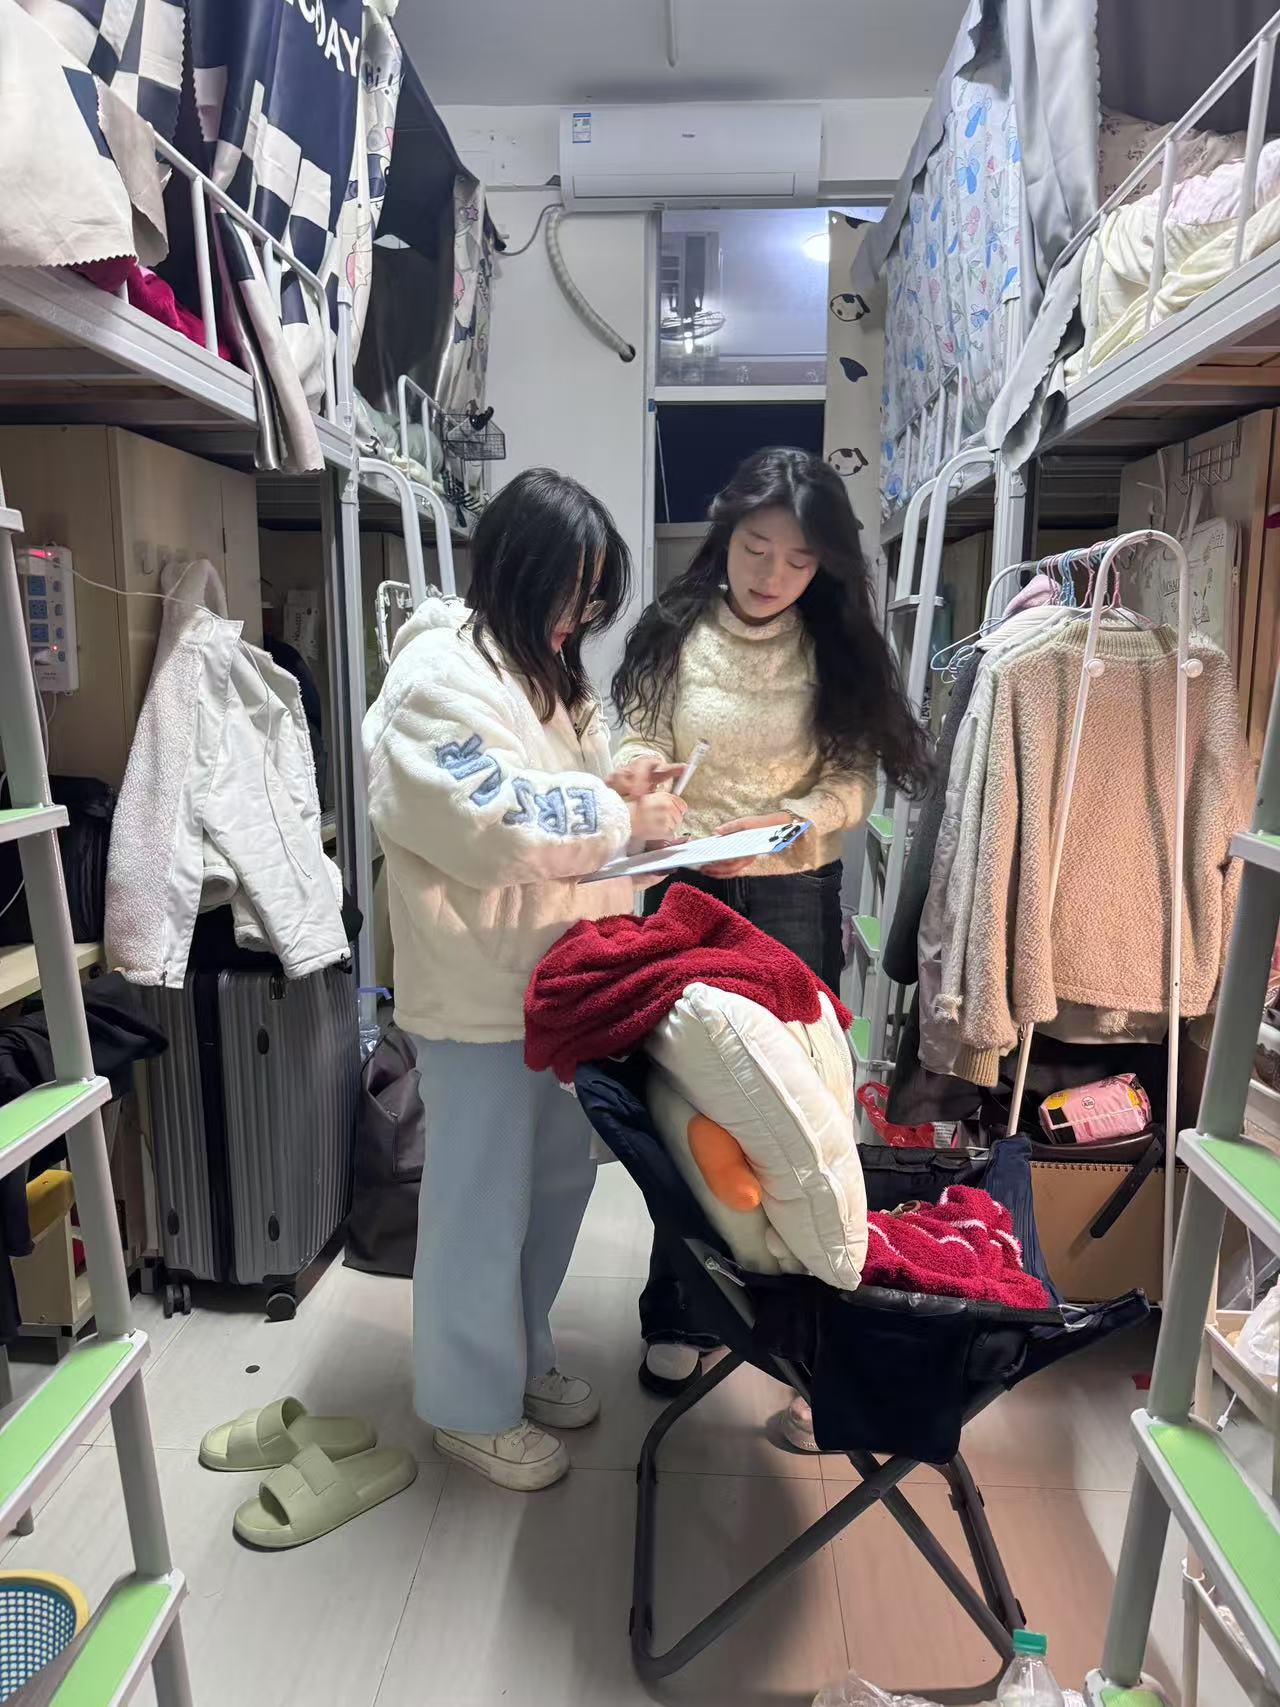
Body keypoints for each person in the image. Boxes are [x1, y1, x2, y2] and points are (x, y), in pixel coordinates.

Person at [364, 468, 685, 1492]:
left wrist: (623, 785)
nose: (575, 616)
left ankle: (521, 1354)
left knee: (553, 1185)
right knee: (478, 1202)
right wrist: (618, 817)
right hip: (478, 997)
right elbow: (499, 822)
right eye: (567, 591)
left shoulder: (548, 675)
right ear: (511, 567)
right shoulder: (436, 678)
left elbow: (570, 794)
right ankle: (467, 1403)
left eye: (590, 598)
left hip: (556, 982)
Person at [611, 445, 931, 1436]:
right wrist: (641, 779)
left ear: (821, 566)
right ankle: (677, 1307)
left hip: (792, 892)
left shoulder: (832, 646)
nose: (770, 575)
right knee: (684, 1106)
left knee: (803, 1103)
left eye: (797, 560)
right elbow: (635, 734)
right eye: (755, 548)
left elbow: (854, 779)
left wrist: (799, 819)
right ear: (727, 534)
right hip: (684, 889)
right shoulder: (673, 630)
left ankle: (810, 1337)